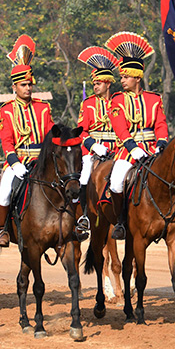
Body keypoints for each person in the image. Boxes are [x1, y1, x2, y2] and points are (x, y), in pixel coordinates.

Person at [101, 32, 168, 241]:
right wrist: (133, 147)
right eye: (121, 77)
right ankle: (121, 221)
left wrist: (162, 143)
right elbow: (120, 128)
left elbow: (160, 124)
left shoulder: (154, 99)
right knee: (117, 182)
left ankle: (173, 220)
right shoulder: (117, 100)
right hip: (128, 151)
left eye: (125, 77)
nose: (122, 81)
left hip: (152, 148)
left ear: (137, 77)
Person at [0, 34, 54, 248]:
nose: (28, 88)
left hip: (42, 159)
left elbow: (50, 135)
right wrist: (15, 163)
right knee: (6, 188)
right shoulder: (6, 111)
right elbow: (6, 141)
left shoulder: (43, 107)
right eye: (23, 85)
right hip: (18, 161)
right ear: (14, 87)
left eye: (30, 84)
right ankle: (2, 229)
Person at [75, 45, 120, 235]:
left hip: (117, 150)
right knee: (84, 176)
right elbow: (81, 132)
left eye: (99, 83)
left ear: (108, 83)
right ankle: (84, 215)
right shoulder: (88, 104)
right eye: (94, 84)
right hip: (94, 152)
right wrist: (94, 146)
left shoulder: (119, 101)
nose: (95, 87)